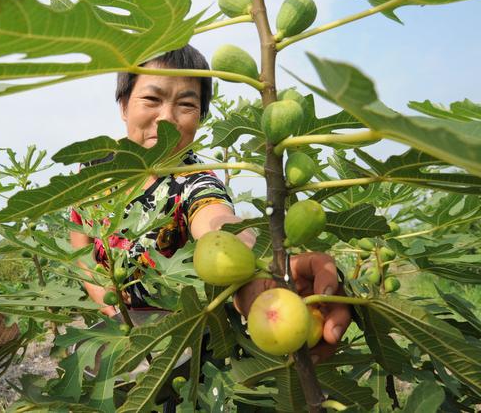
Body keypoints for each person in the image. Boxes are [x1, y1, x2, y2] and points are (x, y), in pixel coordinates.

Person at [69, 44, 351, 364]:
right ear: (124, 105)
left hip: (175, 337)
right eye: (151, 99)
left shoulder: (197, 182)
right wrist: (101, 294)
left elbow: (218, 222)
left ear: (201, 117)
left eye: (186, 105)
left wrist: (264, 266)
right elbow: (79, 230)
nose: (167, 118)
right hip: (111, 325)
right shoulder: (94, 166)